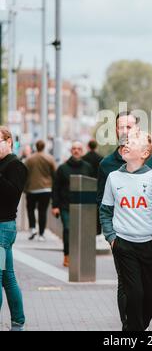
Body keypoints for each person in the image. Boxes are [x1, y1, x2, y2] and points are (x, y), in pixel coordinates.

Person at [96, 111, 152, 331]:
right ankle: (129, 327)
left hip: (149, 242)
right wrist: (111, 237)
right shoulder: (108, 167)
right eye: (121, 127)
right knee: (129, 289)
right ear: (115, 130)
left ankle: (135, 326)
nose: (125, 132)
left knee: (149, 296)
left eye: (130, 128)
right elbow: (104, 205)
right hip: (123, 241)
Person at [0, 126, 28, 331]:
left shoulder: (15, 165)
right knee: (8, 277)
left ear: (8, 141)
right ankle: (18, 323)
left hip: (3, 227)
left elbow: (12, 194)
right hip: (3, 227)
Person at [52, 141, 93, 267]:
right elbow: (56, 188)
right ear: (71, 150)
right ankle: (67, 255)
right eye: (74, 148)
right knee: (68, 230)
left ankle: (79, 255)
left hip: (84, 206)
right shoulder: (62, 168)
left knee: (82, 232)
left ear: (82, 151)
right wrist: (55, 206)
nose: (76, 151)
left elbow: (92, 186)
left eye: (79, 149)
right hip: (66, 206)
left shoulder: (88, 167)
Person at [25, 140, 56, 241]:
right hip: (46, 189)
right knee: (42, 211)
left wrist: (25, 188)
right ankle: (41, 234)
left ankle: (33, 228)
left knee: (30, 209)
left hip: (32, 189)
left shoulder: (29, 159)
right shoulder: (49, 158)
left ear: (36, 147)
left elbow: (24, 173)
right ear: (44, 147)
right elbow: (54, 173)